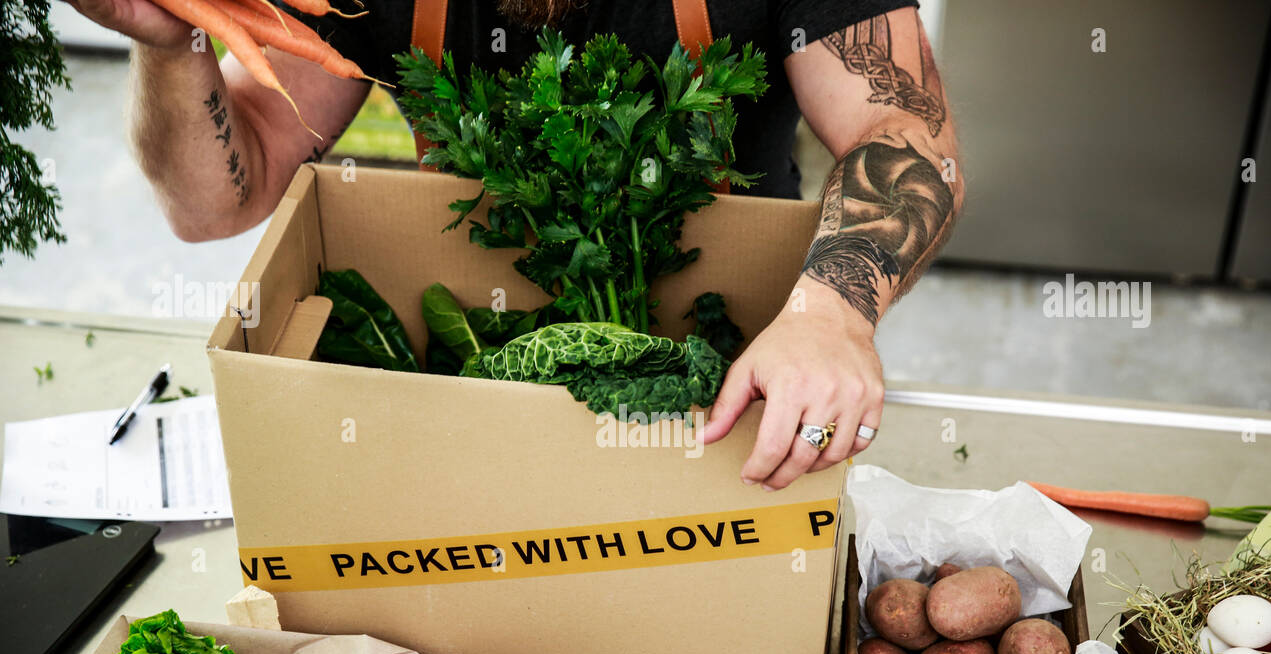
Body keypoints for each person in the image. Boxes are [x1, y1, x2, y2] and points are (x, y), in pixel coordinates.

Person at [67, 0, 963, 489]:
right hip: (469, 407)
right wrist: (173, 39)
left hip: (737, 411)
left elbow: (908, 129)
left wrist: (833, 313)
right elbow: (222, 197)